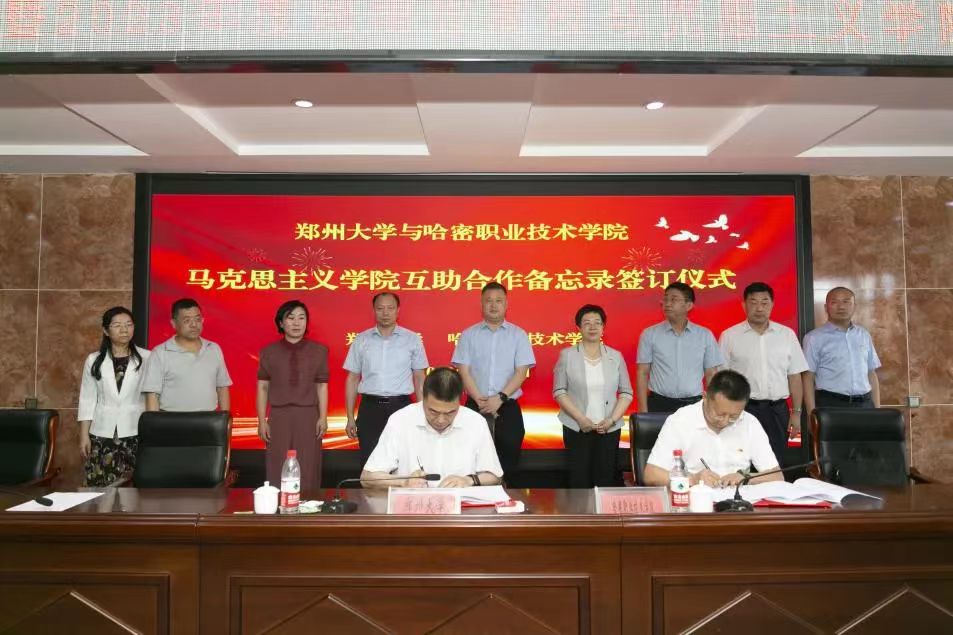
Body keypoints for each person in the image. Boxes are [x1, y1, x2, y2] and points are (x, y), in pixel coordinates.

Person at [361, 367, 503, 488]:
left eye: (450, 413)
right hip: (413, 508)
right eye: (433, 411)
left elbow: (495, 476)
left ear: (460, 401)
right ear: (423, 397)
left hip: (461, 507)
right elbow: (367, 478)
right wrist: (404, 482)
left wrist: (468, 480)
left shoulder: (476, 422)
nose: (441, 420)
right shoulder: (400, 420)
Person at [452, 282, 535, 486]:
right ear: (481, 304)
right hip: (475, 407)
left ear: (506, 304)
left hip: (507, 407)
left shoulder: (518, 335)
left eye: (498, 301)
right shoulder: (468, 335)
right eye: (488, 301)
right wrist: (480, 400)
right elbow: (464, 371)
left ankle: (508, 500)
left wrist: (500, 398)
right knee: (471, 461)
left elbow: (521, 372)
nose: (493, 305)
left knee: (508, 463)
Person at [719, 282, 809, 466]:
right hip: (743, 409)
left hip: (778, 410)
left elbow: (795, 377)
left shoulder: (786, 335)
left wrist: (796, 414)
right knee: (742, 461)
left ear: (772, 304)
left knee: (777, 461)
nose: (759, 308)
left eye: (764, 302)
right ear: (744, 305)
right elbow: (722, 379)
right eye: (753, 302)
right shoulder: (729, 336)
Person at [643, 370, 782, 488]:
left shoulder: (750, 423)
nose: (725, 421)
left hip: (741, 503)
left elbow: (777, 476)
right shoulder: (680, 420)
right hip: (698, 501)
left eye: (733, 416)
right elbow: (651, 475)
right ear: (705, 397)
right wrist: (693, 479)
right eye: (719, 414)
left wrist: (746, 477)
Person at [343, 292, 429, 468]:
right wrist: (350, 417)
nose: (385, 313)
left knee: (404, 460)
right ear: (374, 310)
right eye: (380, 308)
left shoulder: (411, 339)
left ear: (398, 310)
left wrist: (422, 411)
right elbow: (352, 379)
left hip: (401, 407)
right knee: (370, 461)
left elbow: (419, 376)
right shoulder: (361, 340)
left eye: (390, 308)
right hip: (370, 409)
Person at [553, 304, 633, 488]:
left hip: (609, 429)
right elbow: (559, 391)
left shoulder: (615, 356)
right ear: (578, 328)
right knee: (579, 480)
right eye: (587, 323)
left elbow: (626, 392)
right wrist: (581, 419)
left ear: (603, 327)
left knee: (605, 479)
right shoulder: (567, 355)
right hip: (576, 427)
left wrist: (612, 420)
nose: (592, 327)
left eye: (597, 322)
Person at [256, 300, 329, 491]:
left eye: (301, 318)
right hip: (279, 416)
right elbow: (262, 387)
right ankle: (277, 505)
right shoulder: (268, 352)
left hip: (308, 415)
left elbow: (322, 386)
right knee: (277, 463)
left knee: (308, 463)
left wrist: (323, 417)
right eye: (291, 318)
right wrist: (262, 420)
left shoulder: (319, 351)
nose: (297, 323)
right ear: (281, 323)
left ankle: (309, 503)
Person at [77, 307, 150, 486]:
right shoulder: (94, 360)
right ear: (106, 330)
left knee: (132, 488)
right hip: (102, 432)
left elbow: (152, 395)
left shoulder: (147, 357)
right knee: (100, 486)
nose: (124, 330)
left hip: (135, 430)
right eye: (117, 325)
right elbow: (87, 399)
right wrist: (84, 435)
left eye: (129, 325)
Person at [636, 282, 724, 413]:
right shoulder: (649, 334)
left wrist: (713, 408)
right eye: (665, 299)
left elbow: (711, 374)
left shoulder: (704, 335)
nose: (667, 304)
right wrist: (643, 410)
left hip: (693, 405)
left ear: (689, 305)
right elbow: (642, 372)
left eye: (674, 299)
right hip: (659, 403)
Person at [141, 298, 232, 412]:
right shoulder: (160, 352)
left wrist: (225, 419)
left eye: (197, 319)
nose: (194, 325)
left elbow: (222, 387)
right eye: (187, 320)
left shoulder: (213, 348)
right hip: (172, 419)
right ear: (173, 323)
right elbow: (152, 394)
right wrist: (152, 422)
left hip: (209, 419)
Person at [803, 287, 881, 412]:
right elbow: (808, 378)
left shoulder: (863, 335)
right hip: (831, 405)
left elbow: (871, 373)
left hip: (864, 404)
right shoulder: (813, 338)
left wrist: (877, 411)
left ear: (854, 306)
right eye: (834, 302)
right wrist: (811, 414)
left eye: (846, 302)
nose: (841, 307)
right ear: (826, 307)